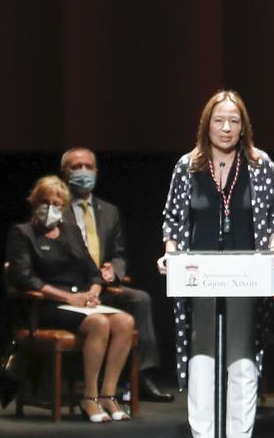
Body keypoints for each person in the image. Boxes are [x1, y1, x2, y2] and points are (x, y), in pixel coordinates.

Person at [157, 90, 274, 438]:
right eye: (219, 120)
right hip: (199, 272)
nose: (226, 128)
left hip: (246, 272)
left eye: (234, 121)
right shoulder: (188, 165)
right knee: (202, 354)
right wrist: (170, 251)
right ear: (207, 125)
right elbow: (172, 217)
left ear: (243, 126)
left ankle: (238, 434)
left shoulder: (260, 163)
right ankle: (203, 433)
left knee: (242, 354)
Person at [6, 175, 137, 423]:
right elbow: (24, 279)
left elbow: (92, 271)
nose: (50, 208)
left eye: (57, 203)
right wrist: (68, 297)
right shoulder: (22, 233)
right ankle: (89, 397)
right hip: (46, 305)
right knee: (99, 323)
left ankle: (108, 394)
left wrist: (93, 293)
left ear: (64, 206)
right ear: (35, 202)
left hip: (79, 303)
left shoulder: (71, 231)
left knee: (125, 322)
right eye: (45, 202)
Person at [60, 146, 174, 403]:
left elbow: (120, 253)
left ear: (97, 171)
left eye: (88, 166)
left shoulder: (109, 211)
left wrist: (114, 270)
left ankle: (142, 376)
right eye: (76, 167)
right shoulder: (56, 208)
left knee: (140, 298)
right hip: (69, 290)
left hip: (104, 288)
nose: (83, 172)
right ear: (65, 173)